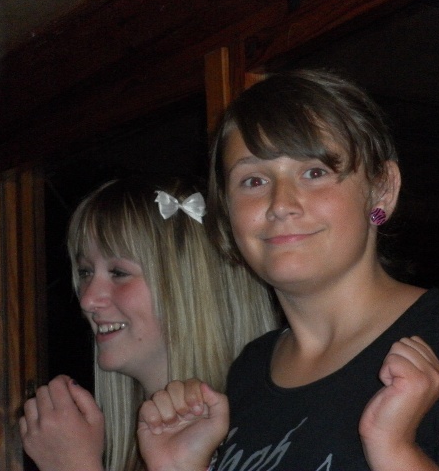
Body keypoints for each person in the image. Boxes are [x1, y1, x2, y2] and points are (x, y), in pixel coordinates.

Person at [136, 69, 439, 470]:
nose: (281, 204)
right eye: (254, 181)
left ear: (382, 190)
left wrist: (394, 449)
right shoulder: (251, 369)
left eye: (314, 172)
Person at [18, 176, 279, 471]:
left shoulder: (259, 443)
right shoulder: (131, 448)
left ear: (189, 287)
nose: (87, 300)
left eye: (118, 273)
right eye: (86, 272)